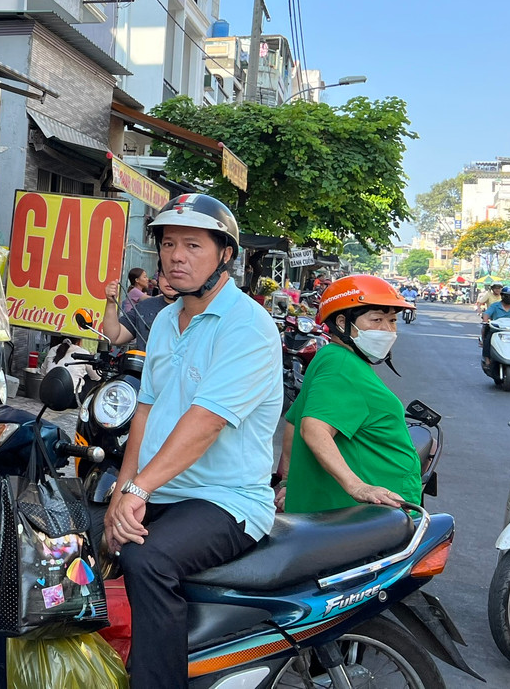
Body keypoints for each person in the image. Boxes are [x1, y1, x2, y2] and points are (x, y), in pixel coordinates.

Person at [103, 194, 281, 689]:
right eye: (168, 244)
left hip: (225, 500)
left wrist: (138, 492)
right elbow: (146, 408)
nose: (176, 256)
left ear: (225, 254)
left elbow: (205, 422)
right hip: (166, 490)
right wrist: (123, 487)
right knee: (77, 540)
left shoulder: (248, 326)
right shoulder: (164, 318)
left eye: (192, 245)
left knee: (147, 558)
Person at [277, 276, 421, 513]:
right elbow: (313, 428)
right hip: (361, 515)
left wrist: (287, 482)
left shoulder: (330, 356)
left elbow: (293, 423)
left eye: (392, 321)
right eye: (376, 320)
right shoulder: (341, 365)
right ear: (342, 322)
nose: (387, 330)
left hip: (345, 513)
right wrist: (358, 487)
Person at [103, 271, 179, 349]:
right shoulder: (145, 306)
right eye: (164, 274)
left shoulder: (190, 309)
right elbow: (114, 337)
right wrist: (111, 303)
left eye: (175, 275)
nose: (169, 280)